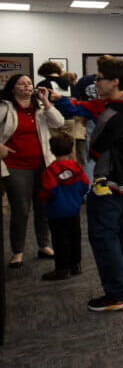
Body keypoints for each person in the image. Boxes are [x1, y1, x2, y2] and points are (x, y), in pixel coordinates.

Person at [55, 57, 123, 312]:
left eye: (99, 78)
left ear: (114, 81)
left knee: (104, 235)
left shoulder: (111, 115)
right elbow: (84, 107)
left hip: (107, 186)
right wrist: (55, 100)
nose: (96, 82)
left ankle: (117, 295)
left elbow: (94, 149)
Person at [1, 74, 63, 267]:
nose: (27, 86)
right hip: (15, 165)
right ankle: (18, 251)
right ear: (12, 88)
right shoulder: (5, 107)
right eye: (22, 83)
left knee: (43, 207)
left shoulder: (40, 107)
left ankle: (44, 245)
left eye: (29, 83)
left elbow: (59, 123)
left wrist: (46, 101)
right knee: (21, 209)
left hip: (42, 164)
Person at [39, 131, 88, 280]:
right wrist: (76, 197)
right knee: (75, 237)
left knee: (60, 240)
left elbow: (49, 190)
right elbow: (85, 184)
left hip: (56, 211)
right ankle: (75, 265)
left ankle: (61, 268)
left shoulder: (50, 171)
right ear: (72, 149)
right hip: (73, 209)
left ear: (52, 151)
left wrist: (43, 199)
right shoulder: (77, 167)